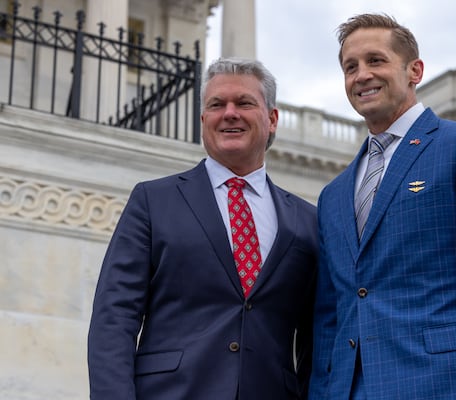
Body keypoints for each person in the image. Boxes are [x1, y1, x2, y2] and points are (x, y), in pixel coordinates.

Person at [309, 13, 456, 400]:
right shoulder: (333, 193)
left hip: (444, 386)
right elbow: (330, 318)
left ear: (414, 70)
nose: (362, 75)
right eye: (351, 67)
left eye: (376, 60)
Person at [88, 57, 318, 400]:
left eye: (244, 103)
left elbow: (317, 339)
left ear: (272, 119)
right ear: (202, 120)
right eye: (216, 104)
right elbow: (114, 316)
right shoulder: (153, 201)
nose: (229, 113)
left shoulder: (307, 221)